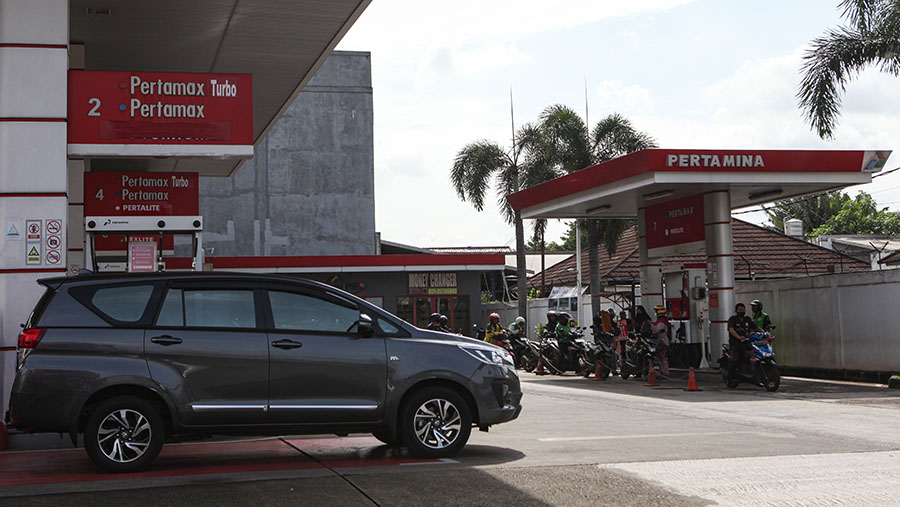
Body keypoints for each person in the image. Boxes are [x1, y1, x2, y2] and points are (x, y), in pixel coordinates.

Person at [727, 303, 762, 382]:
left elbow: (756, 328)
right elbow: (731, 329)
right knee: (735, 359)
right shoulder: (732, 319)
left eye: (743, 310)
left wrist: (764, 334)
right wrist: (738, 337)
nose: (742, 311)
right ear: (736, 311)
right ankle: (730, 377)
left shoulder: (747, 319)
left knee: (756, 355)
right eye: (740, 310)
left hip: (747, 343)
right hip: (735, 344)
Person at [649, 305, 672, 377]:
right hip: (663, 341)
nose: (655, 313)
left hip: (662, 341)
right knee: (661, 357)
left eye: (656, 311)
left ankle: (664, 373)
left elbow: (656, 330)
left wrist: (651, 325)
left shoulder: (661, 322)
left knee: (662, 357)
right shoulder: (663, 320)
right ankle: (663, 372)